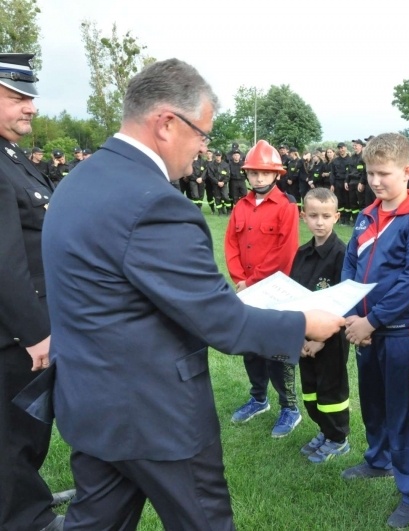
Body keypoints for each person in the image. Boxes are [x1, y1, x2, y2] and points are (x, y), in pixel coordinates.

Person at [41, 58, 343, 531]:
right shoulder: (155, 202)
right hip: (156, 417)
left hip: (91, 404)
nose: (203, 149)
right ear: (165, 123)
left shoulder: (77, 181)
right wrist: (304, 323)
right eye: (202, 134)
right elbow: (220, 320)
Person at [341, 132, 409, 529]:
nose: (376, 181)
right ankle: (379, 459)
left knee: (408, 414)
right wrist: (353, 317)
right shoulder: (366, 215)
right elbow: (349, 266)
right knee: (375, 403)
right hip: (364, 331)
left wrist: (372, 320)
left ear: (407, 171)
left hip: (403, 333)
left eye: (384, 173)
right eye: (370, 173)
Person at [0, 52, 67, 531]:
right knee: (12, 435)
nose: (31, 107)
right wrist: (34, 333)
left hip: (29, 325)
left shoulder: (11, 155)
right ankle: (27, 520)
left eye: (31, 96)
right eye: (17, 96)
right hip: (15, 334)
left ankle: (27, 500)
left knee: (27, 431)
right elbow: (4, 259)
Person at [225, 140, 304, 438]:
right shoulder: (241, 205)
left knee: (278, 352)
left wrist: (252, 280)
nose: (258, 178)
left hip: (273, 291)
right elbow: (231, 243)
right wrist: (238, 278)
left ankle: (289, 408)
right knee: (251, 349)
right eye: (253, 172)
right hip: (246, 290)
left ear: (276, 175)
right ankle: (259, 399)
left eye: (264, 173)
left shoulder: (285, 207)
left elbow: (285, 253)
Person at [291, 188, 351, 463]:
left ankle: (338, 438)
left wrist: (320, 340)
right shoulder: (301, 254)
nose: (320, 222)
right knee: (311, 391)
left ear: (336, 217)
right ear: (303, 217)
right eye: (313, 215)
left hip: (330, 340)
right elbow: (294, 296)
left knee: (331, 391)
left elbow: (344, 303)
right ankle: (324, 431)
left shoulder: (342, 255)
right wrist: (302, 336)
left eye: (326, 216)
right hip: (305, 338)